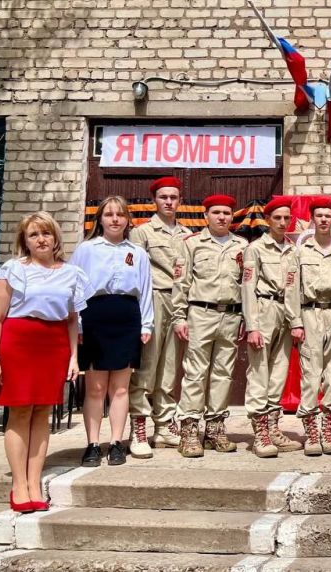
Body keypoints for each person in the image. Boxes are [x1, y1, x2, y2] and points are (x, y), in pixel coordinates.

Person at [0, 212, 91, 512]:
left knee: (42, 413)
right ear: (25, 241)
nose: (41, 239)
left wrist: (73, 358)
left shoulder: (71, 273)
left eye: (46, 233)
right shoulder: (12, 270)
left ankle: (34, 482)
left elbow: (72, 320)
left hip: (53, 345)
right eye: (34, 235)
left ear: (56, 238)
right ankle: (19, 484)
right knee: (19, 413)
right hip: (18, 342)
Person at [70, 196, 153, 467]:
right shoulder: (87, 249)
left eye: (120, 214)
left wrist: (146, 324)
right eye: (109, 214)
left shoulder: (137, 252)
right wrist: (79, 324)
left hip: (126, 317)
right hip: (95, 316)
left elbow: (145, 289)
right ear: (100, 219)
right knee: (95, 387)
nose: (115, 219)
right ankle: (93, 444)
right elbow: (75, 289)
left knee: (120, 388)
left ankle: (117, 442)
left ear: (128, 219)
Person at [172, 194, 248, 458]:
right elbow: (180, 284)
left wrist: (245, 318)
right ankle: (189, 430)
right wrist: (179, 317)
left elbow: (245, 286)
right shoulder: (193, 244)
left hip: (230, 315)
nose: (221, 217)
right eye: (216, 212)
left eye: (227, 213)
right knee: (195, 372)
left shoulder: (242, 245)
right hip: (200, 313)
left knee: (223, 373)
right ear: (206, 216)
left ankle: (215, 428)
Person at [128, 176, 189, 455]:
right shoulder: (142, 233)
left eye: (173, 197)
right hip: (152, 298)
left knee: (170, 366)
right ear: (155, 200)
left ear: (179, 201)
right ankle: (138, 424)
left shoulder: (187, 234)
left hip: (178, 302)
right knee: (147, 365)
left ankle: (164, 425)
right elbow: (133, 272)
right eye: (163, 197)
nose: (168, 202)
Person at [287, 197, 331, 456]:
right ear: (312, 220)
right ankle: (311, 431)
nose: (324, 219)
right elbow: (292, 289)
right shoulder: (300, 252)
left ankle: (328, 430)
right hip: (310, 314)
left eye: (328, 216)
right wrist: (295, 321)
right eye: (319, 215)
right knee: (311, 377)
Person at [241, 196, 303, 458]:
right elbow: (247, 287)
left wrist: (296, 321)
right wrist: (252, 325)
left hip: (286, 312)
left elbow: (295, 288)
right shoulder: (255, 248)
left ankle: (273, 427)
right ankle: (260, 434)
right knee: (259, 371)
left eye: (287, 218)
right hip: (263, 308)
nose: (282, 222)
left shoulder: (293, 250)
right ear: (268, 220)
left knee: (279, 371)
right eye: (277, 217)